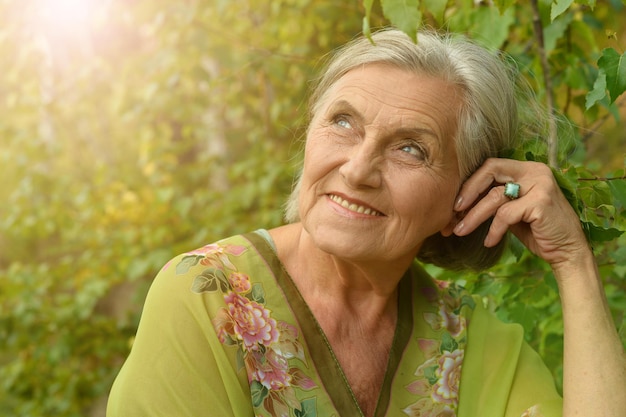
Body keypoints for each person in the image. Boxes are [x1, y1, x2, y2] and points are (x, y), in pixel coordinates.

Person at [106, 28, 626, 417]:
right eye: (342, 122)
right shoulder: (205, 297)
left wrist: (572, 261)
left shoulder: (471, 343)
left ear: (466, 196)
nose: (356, 170)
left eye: (410, 149)